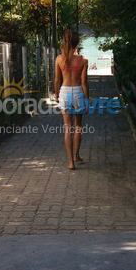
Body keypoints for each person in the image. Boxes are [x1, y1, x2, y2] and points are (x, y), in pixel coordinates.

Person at [54, 29, 89, 170]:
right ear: (77, 43)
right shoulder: (83, 60)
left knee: (68, 127)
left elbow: (57, 80)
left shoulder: (59, 59)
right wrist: (87, 98)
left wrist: (56, 95)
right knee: (78, 126)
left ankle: (70, 162)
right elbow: (84, 81)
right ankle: (76, 155)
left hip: (65, 92)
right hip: (78, 92)